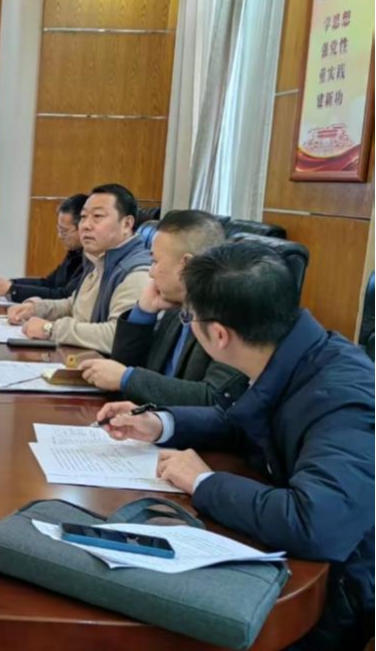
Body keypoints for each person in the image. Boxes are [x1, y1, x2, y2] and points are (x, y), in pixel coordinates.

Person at [97, 242, 374, 650]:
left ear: (219, 335)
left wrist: (204, 482)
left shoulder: (342, 396)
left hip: (328, 596)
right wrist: (160, 423)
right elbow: (242, 419)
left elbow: (316, 524)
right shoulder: (291, 351)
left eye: (189, 316)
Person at [79, 210, 247, 407]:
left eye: (155, 261)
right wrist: (143, 313)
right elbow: (123, 372)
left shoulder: (234, 316)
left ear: (186, 265)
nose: (151, 273)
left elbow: (213, 398)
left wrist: (127, 378)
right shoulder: (173, 307)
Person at [7, 184, 151, 353]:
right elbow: (74, 305)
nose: (85, 225)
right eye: (83, 217)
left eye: (97, 216)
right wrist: (37, 308)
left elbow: (117, 335)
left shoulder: (136, 273)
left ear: (126, 224)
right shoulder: (99, 258)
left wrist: (50, 329)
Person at [0, 193, 87, 302]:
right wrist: (11, 284)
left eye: (64, 231)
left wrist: (12, 289)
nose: (59, 236)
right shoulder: (74, 253)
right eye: (59, 229)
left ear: (83, 227)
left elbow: (63, 296)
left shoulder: (90, 261)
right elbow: (49, 283)